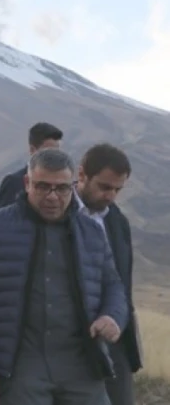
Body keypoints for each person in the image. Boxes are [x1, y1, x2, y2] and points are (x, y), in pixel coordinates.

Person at [0, 148, 128, 405]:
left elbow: (113, 285)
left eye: (61, 188)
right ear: (27, 183)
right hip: (22, 365)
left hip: (82, 365)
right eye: (42, 187)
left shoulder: (91, 232)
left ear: (73, 185)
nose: (52, 197)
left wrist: (113, 315)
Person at [75, 144, 142, 405]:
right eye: (104, 187)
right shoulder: (57, 213)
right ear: (82, 175)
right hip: (67, 339)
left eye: (117, 189)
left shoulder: (117, 221)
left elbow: (122, 283)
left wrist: (116, 317)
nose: (111, 196)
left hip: (114, 336)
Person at [0, 122, 63, 209]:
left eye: (57, 152)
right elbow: (2, 219)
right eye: (48, 152)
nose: (53, 157)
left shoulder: (61, 183)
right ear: (32, 150)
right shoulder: (14, 183)